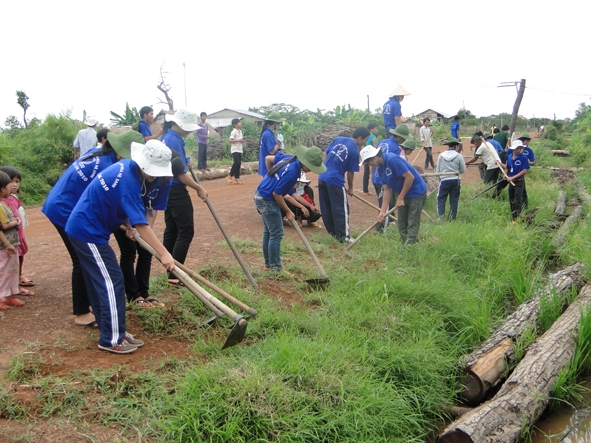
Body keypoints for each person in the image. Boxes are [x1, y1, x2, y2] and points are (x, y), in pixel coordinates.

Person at [65, 141, 176, 354]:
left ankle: (114, 331)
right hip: (87, 231)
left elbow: (114, 203)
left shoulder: (128, 169)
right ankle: (112, 339)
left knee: (103, 282)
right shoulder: (128, 178)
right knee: (111, 282)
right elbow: (142, 224)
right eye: (152, 172)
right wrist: (164, 254)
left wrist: (126, 223)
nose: (154, 176)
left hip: (88, 229)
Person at [43, 130, 144, 327]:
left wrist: (127, 224)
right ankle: (82, 312)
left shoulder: (97, 152)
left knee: (85, 260)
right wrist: (129, 224)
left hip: (60, 200)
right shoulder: (111, 168)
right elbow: (106, 200)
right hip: (66, 208)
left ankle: (93, 308)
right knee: (82, 260)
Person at [113, 145, 185, 308]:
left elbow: (152, 209)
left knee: (146, 250)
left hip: (140, 217)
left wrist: (144, 231)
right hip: (120, 214)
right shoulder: (134, 175)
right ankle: (133, 295)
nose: (167, 179)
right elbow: (124, 203)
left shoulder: (165, 181)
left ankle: (144, 292)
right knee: (129, 251)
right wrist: (131, 226)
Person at [254, 146, 326, 272]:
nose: (311, 170)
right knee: (276, 233)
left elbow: (268, 159)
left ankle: (268, 265)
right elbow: (277, 194)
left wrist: (271, 177)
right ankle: (276, 268)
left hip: (261, 194)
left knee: (269, 232)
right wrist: (288, 211)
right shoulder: (292, 172)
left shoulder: (289, 158)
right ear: (306, 163)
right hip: (267, 200)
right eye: (311, 167)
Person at [162, 109, 208, 285]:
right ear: (180, 124)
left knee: (172, 229)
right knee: (186, 231)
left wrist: (186, 160)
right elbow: (180, 173)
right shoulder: (173, 139)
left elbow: (178, 162)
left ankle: (170, 268)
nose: (190, 132)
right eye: (188, 128)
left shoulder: (169, 137)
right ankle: (175, 275)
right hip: (175, 190)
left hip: (167, 189)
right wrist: (198, 188)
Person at [360, 145, 428, 245]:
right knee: (401, 224)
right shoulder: (380, 168)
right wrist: (382, 212)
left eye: (368, 161)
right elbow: (386, 190)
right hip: (403, 194)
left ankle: (410, 249)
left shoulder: (392, 160)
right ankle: (406, 245)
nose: (369, 164)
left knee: (412, 222)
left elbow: (410, 177)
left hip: (416, 192)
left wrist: (400, 198)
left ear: (374, 157)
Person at [318, 127, 369, 242]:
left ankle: (333, 234)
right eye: (365, 140)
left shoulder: (338, 139)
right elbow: (350, 173)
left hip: (322, 176)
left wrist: (326, 168)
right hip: (335, 181)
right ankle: (344, 237)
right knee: (340, 209)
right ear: (360, 138)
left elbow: (326, 153)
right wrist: (351, 188)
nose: (364, 143)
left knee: (326, 207)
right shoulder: (355, 151)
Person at [0, 166, 35, 291]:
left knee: (16, 260)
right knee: (6, 264)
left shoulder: (14, 198)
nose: (14, 185)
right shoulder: (2, 203)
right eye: (11, 181)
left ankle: (16, 283)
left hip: (17, 237)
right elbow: (4, 224)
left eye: (17, 181)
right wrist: (15, 222)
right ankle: (6, 290)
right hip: (7, 239)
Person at [0, 170, 23, 312]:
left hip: (10, 245)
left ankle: (9, 295)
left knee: (11, 270)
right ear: (2, 189)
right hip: (4, 246)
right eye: (9, 184)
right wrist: (15, 222)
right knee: (3, 270)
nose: (12, 187)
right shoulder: (0, 206)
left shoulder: (4, 203)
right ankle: (2, 296)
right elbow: (3, 226)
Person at [435, 138, 466, 221]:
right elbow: (463, 169)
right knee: (454, 199)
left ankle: (441, 217)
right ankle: (452, 218)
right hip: (455, 180)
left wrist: (440, 180)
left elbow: (438, 170)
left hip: (444, 180)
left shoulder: (441, 156)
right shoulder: (459, 156)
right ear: (456, 146)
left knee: (441, 198)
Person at [504, 140, 530, 220]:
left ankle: (517, 217)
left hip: (519, 182)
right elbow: (507, 167)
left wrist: (513, 177)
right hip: (511, 182)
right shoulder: (509, 157)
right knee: (511, 199)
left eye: (520, 148)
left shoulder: (523, 158)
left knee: (518, 200)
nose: (518, 150)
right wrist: (505, 174)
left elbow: (524, 170)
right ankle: (513, 215)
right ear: (513, 149)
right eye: (517, 148)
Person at [258, 112, 285, 177]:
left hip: (266, 164)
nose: (279, 125)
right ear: (275, 123)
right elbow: (272, 151)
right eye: (279, 123)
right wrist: (278, 143)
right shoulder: (268, 134)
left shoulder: (268, 133)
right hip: (268, 166)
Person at [227, 118, 246, 184]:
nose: (240, 123)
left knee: (239, 164)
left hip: (239, 149)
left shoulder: (240, 131)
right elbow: (230, 140)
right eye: (239, 122)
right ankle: (230, 176)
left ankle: (237, 178)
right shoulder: (234, 131)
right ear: (235, 124)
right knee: (236, 163)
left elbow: (240, 140)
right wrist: (239, 140)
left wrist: (242, 141)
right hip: (235, 149)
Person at [362, 123, 378, 195]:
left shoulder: (367, 137)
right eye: (375, 128)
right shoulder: (373, 137)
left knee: (366, 173)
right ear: (371, 129)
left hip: (366, 155)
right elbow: (375, 147)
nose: (376, 130)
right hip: (372, 156)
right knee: (374, 171)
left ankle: (365, 190)